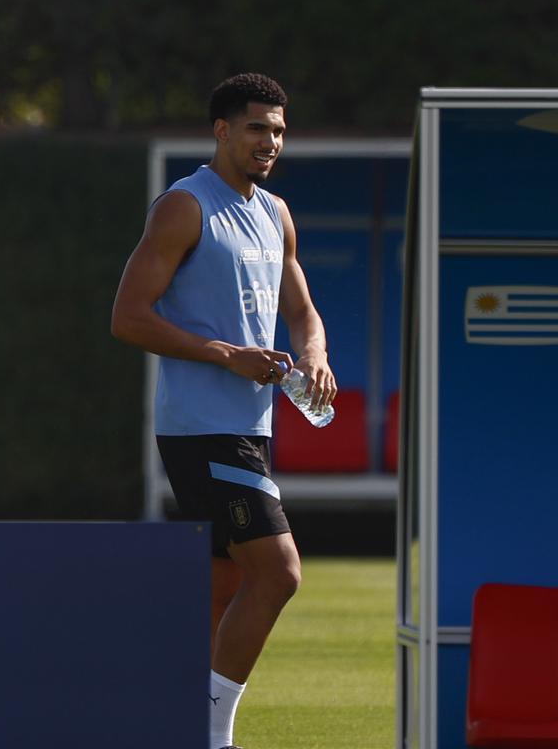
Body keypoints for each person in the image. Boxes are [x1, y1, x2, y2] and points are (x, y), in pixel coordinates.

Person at [112, 72, 337, 749]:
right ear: (221, 131)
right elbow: (127, 318)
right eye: (256, 128)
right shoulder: (184, 206)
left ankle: (177, 718)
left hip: (250, 428)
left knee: (224, 585)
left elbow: (303, 313)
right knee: (280, 573)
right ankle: (213, 734)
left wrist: (315, 356)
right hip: (201, 430)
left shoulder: (276, 213)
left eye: (278, 130)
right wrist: (225, 355)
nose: (270, 142)